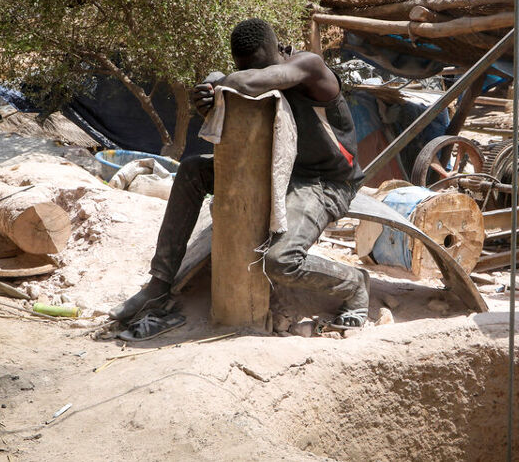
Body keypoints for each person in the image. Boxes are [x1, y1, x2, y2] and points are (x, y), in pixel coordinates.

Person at [110, 18, 369, 339]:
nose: (252, 74)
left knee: (280, 261)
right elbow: (243, 103)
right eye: (244, 68)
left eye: (260, 67)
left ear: (280, 50)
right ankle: (159, 285)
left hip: (325, 182)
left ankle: (354, 283)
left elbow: (253, 82)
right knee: (192, 170)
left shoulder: (309, 66)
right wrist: (210, 101)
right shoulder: (251, 75)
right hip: (277, 169)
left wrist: (218, 82)